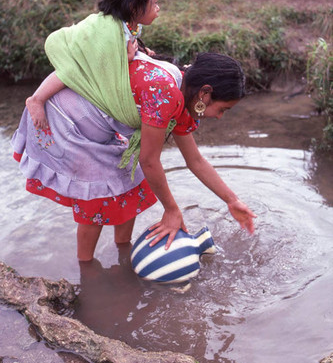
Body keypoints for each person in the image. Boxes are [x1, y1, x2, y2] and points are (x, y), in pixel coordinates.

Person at [11, 51, 256, 262]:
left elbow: (195, 161)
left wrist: (231, 200)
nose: (220, 116)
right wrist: (171, 210)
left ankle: (123, 253)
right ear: (205, 93)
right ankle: (86, 268)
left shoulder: (182, 93)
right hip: (63, 121)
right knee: (96, 196)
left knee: (131, 182)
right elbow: (149, 160)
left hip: (92, 126)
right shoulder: (165, 92)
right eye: (222, 109)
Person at [26, 0, 160, 129]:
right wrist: (128, 58)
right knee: (69, 72)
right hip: (78, 50)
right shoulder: (109, 29)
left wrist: (142, 51)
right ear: (133, 7)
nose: (158, 8)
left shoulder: (130, 24)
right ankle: (37, 99)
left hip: (92, 49)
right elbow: (104, 60)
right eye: (155, 3)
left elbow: (129, 42)